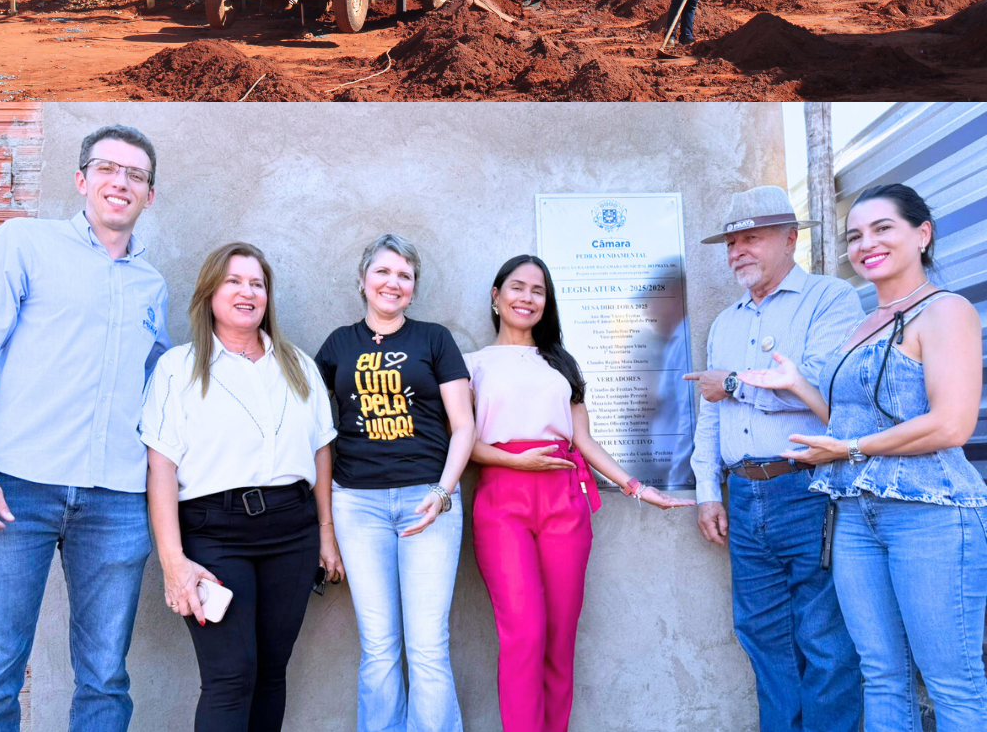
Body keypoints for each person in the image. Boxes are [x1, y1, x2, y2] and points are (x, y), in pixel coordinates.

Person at [0, 124, 168, 732]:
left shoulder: (154, 286)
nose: (120, 181)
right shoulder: (24, 243)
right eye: (107, 168)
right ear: (81, 179)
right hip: (14, 491)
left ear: (150, 194)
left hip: (118, 502)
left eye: (136, 175)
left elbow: (163, 391)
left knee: (105, 683)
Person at [739, 184, 987, 732]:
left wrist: (849, 450)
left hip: (931, 513)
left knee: (952, 679)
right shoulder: (861, 324)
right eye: (855, 235)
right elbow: (852, 421)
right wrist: (799, 386)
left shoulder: (947, 311)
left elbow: (952, 423)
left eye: (882, 229)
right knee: (879, 673)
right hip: (855, 514)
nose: (865, 244)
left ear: (922, 235)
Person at [466, 254, 688, 732]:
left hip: (564, 502)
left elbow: (583, 440)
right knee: (524, 635)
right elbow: (463, 444)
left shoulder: (560, 365)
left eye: (538, 291)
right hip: (502, 504)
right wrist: (513, 460)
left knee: (559, 638)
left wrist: (637, 487)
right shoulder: (469, 366)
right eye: (518, 287)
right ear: (496, 296)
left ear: (547, 303)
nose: (527, 298)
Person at [684, 185, 864, 732]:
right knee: (761, 636)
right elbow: (709, 413)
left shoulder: (831, 299)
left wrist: (735, 383)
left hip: (806, 488)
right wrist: (709, 492)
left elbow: (820, 388)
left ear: (790, 239)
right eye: (732, 242)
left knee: (826, 642)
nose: (738, 251)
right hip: (743, 494)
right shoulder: (726, 322)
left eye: (751, 238)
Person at [141, 243, 341, 732]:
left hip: (292, 534)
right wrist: (172, 562)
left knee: (271, 673)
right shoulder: (178, 368)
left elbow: (320, 451)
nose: (246, 292)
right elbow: (160, 468)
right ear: (210, 292)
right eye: (233, 281)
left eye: (256, 283)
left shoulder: (298, 367)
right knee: (231, 676)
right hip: (214, 535)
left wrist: (325, 534)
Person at [315, 233, 475, 732]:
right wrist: (324, 529)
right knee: (379, 645)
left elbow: (464, 425)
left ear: (413, 288)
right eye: (383, 272)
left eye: (404, 275)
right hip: (356, 505)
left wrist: (442, 493)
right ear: (363, 281)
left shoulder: (435, 339)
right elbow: (317, 434)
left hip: (429, 501)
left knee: (427, 646)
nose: (393, 282)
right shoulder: (338, 345)